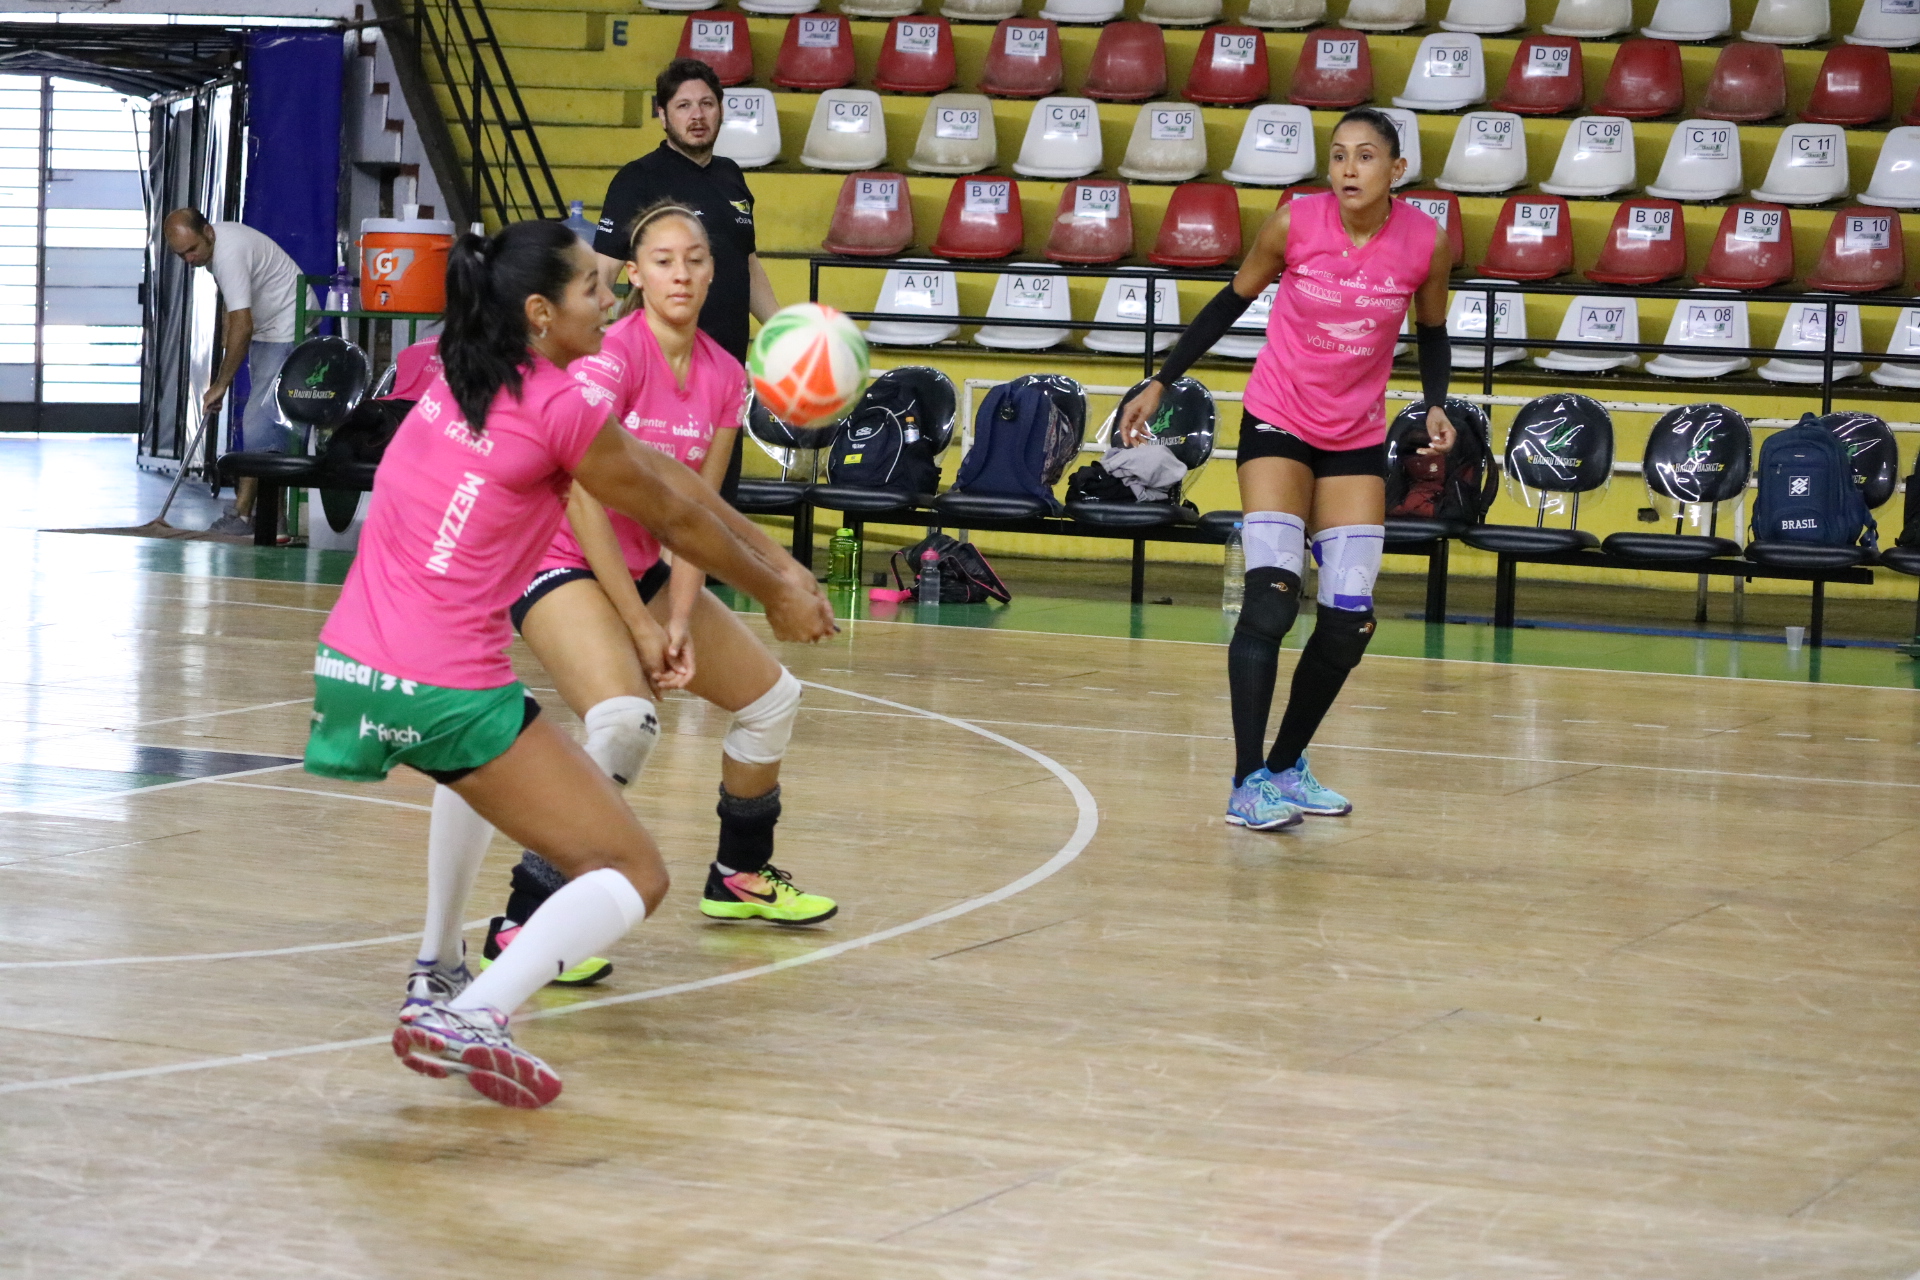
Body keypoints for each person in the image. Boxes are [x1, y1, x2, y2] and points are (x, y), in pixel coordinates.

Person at [302, 219, 836, 1107]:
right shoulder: (559, 407)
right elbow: (672, 513)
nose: (614, 294)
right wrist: (776, 586)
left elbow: (672, 483)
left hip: (352, 664)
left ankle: (437, 968)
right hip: (444, 686)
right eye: (596, 285)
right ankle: (475, 1013)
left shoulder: (452, 371)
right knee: (634, 874)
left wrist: (780, 568)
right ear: (541, 312)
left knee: (467, 772)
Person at [479, 200, 834, 990]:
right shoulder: (611, 358)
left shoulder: (724, 372)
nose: (683, 273)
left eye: (697, 259)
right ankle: (522, 922)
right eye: (665, 261)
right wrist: (641, 625)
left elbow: (695, 511)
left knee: (772, 699)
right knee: (621, 723)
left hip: (645, 568)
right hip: (558, 558)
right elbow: (584, 496)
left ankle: (741, 875)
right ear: (633, 276)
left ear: (716, 272)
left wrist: (678, 617)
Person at [1117, 107, 1455, 833]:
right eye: (1338, 156)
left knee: (1348, 623)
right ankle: (1245, 782)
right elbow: (1229, 302)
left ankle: (1286, 766)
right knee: (1271, 601)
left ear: (1397, 171)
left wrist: (1433, 404)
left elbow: (1431, 329)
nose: (1349, 169)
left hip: (1355, 437)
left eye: (1366, 157)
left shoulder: (1425, 242)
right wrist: (1162, 380)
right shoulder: (1294, 223)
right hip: (1278, 421)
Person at [592, 58, 780, 499]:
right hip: (663, 372)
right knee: (660, 503)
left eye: (707, 104)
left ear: (721, 109)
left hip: (726, 371)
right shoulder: (637, 179)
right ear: (662, 113)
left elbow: (746, 263)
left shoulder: (732, 177)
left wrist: (784, 329)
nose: (697, 116)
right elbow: (603, 271)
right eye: (683, 106)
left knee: (714, 505)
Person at [161, 209, 305, 535]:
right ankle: (270, 518)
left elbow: (243, 323)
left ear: (208, 232)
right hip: (270, 327)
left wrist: (221, 384)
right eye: (180, 254)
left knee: (260, 423)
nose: (188, 259)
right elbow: (233, 308)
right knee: (263, 423)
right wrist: (222, 363)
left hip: (285, 325)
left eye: (191, 250)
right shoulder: (214, 248)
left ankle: (246, 516)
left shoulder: (228, 253)